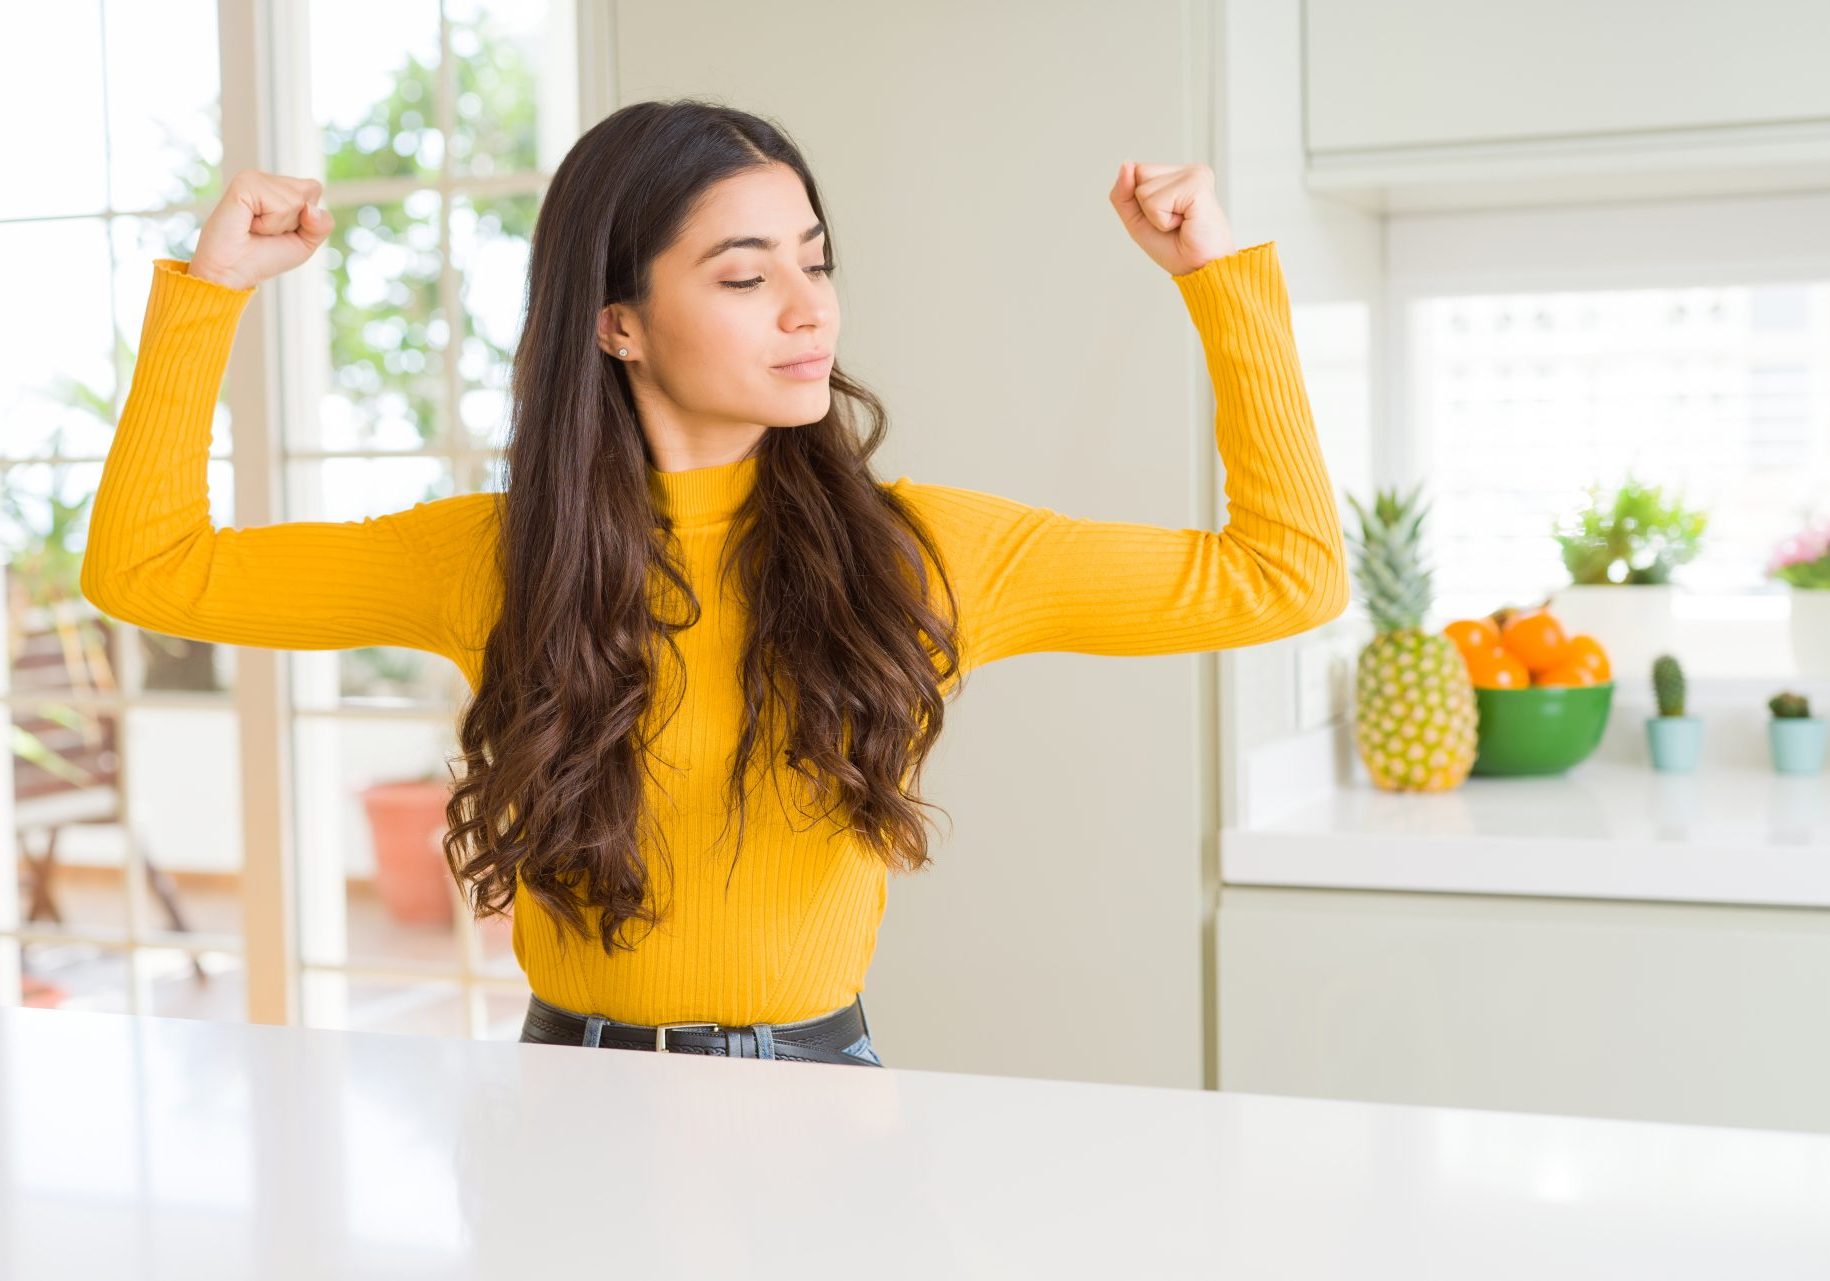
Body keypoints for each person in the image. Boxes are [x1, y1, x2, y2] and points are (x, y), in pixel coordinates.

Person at [82, 98, 1349, 1068]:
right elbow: (149, 569)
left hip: (818, 1099)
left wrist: (1218, 283)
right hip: (562, 1094)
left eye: (815, 260)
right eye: (746, 276)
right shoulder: (493, 556)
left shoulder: (924, 554)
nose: (809, 310)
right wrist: (211, 296)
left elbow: (1283, 577)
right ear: (616, 321)